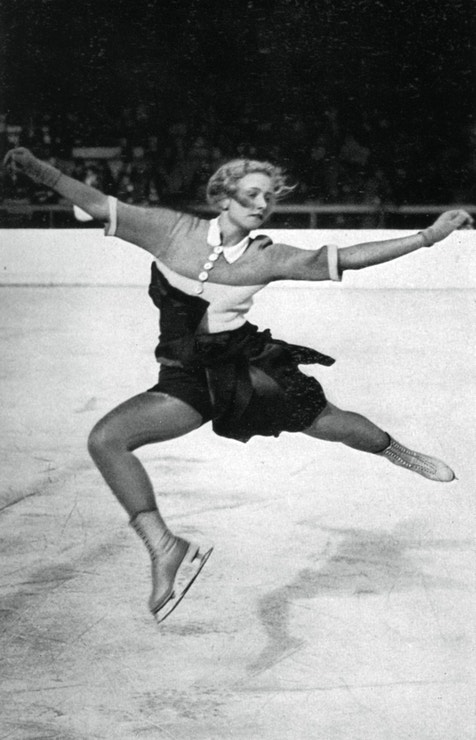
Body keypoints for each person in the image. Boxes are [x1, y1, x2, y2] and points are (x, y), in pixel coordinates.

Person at [3, 147, 473, 623]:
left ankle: (398, 452)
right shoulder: (170, 230)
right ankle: (167, 549)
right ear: (224, 196)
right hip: (185, 379)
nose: (261, 204)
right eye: (251, 194)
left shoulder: (267, 257)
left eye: (267, 198)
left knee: (328, 423)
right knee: (107, 439)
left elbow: (346, 258)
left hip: (244, 371)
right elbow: (100, 203)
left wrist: (427, 238)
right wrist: (41, 171)